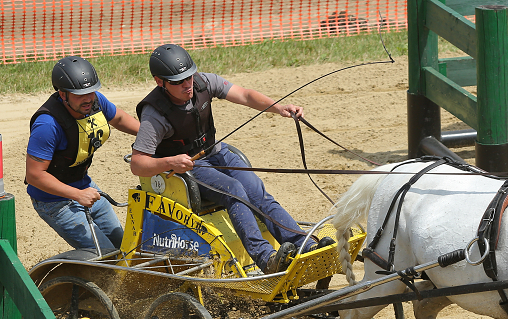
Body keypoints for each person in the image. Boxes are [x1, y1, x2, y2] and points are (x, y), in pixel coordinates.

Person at [129, 43, 331, 274]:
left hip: (217, 152)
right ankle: (266, 258)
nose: (187, 84)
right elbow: (138, 164)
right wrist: (170, 162)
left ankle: (304, 245)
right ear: (159, 81)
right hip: (189, 167)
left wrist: (279, 108)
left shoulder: (203, 82)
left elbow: (244, 95)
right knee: (233, 189)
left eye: (189, 76)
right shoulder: (154, 114)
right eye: (178, 81)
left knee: (255, 189)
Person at [26, 56, 140, 251]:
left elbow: (119, 118)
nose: (88, 98)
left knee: (125, 248)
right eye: (79, 94)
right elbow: (34, 175)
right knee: (106, 257)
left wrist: (152, 136)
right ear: (63, 95)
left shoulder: (95, 102)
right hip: (54, 202)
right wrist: (77, 195)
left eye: (91, 91)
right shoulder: (47, 125)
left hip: (84, 187)